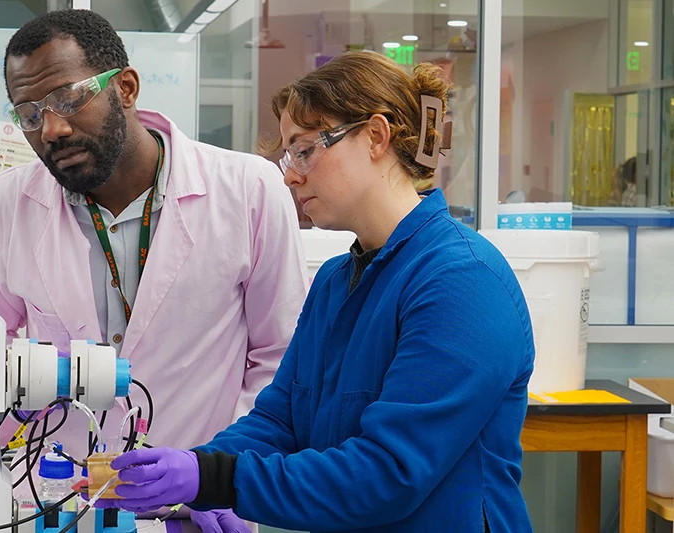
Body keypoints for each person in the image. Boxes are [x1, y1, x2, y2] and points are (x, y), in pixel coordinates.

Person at [106, 51, 535, 533]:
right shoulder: (335, 281)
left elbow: (388, 474)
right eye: (288, 155)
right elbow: (280, 421)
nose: (289, 175)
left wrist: (216, 479)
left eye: (305, 149)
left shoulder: (461, 281)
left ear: (376, 136)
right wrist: (193, 467)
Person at [0, 9, 308, 530]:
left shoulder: (249, 190)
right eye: (29, 114)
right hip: (55, 504)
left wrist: (221, 477)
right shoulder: (4, 205)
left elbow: (279, 357)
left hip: (197, 508)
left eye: (68, 99)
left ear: (125, 87)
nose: (51, 128)